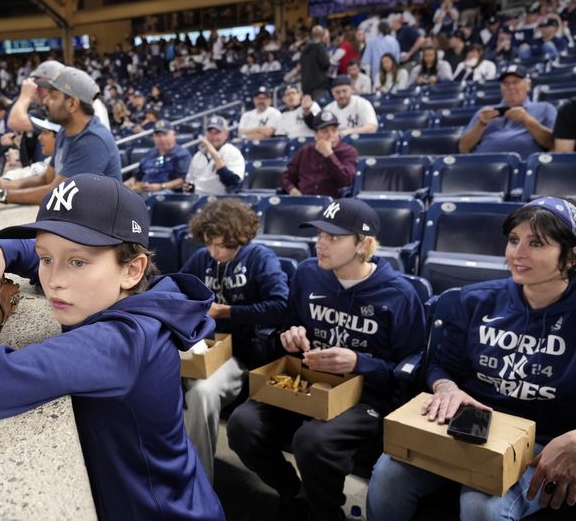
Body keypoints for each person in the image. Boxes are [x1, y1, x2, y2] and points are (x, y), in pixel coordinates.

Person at [0, 174, 226, 521]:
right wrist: (1, 249)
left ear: (132, 269)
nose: (54, 281)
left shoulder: (120, 344)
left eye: (77, 262)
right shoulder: (127, 292)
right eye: (46, 259)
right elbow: (55, 254)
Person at [367, 196, 576, 521]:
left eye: (536, 243)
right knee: (388, 474)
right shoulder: (476, 300)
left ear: (572, 256)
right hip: (471, 426)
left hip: (545, 444)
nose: (517, 253)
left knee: (481, 505)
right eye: (513, 240)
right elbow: (442, 365)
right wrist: (446, 387)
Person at [227, 198, 427, 521]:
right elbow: (284, 330)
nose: (321, 244)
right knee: (242, 424)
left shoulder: (399, 294)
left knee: (312, 441)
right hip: (306, 382)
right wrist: (287, 338)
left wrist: (359, 363)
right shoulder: (307, 274)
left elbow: (410, 374)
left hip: (365, 397)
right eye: (320, 234)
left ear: (363, 245)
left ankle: (325, 512)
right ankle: (293, 493)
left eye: (333, 237)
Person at [179, 199, 289, 482]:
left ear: (238, 237)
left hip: (241, 355)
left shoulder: (259, 258)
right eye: (208, 244)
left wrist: (226, 311)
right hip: (201, 348)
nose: (213, 252)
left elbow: (280, 307)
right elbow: (178, 288)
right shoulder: (203, 259)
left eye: (221, 245)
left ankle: (197, 483)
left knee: (202, 393)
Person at [0, 67, 122, 206]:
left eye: (52, 96)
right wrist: (4, 184)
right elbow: (46, 178)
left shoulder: (92, 141)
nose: (45, 101)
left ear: (72, 104)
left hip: (99, 229)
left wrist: (1, 194)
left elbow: (56, 193)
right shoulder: (66, 131)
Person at [459, 65, 556, 160]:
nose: (510, 87)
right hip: (482, 168)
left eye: (516, 82)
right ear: (501, 87)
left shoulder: (545, 108)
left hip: (523, 169)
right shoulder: (486, 112)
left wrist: (526, 120)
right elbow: (463, 148)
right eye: (505, 83)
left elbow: (553, 143)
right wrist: (481, 124)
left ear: (528, 85)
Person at [281, 111, 357, 198]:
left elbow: (346, 181)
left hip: (333, 204)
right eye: (325, 131)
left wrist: (329, 154)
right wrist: (293, 191)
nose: (331, 135)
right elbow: (286, 177)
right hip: (304, 202)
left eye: (334, 130)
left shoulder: (348, 151)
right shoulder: (305, 151)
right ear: (316, 135)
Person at [184, 115, 246, 195]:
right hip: (197, 199)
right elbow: (189, 182)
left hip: (220, 200)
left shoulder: (232, 152)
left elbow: (232, 183)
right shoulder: (198, 156)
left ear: (226, 135)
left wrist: (214, 154)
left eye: (217, 133)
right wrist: (188, 188)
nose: (213, 137)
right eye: (210, 132)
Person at [125, 120, 191, 193]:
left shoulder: (182, 154)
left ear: (173, 134)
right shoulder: (150, 153)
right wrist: (132, 181)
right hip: (143, 190)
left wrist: (161, 186)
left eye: (165, 135)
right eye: (158, 136)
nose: (162, 139)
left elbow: (183, 179)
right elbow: (138, 175)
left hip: (167, 194)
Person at [0, 116, 59, 183]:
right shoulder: (53, 159)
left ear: (60, 137)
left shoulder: (64, 165)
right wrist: (7, 179)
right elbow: (31, 170)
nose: (39, 137)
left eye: (45, 133)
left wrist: (3, 187)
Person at [300, 25, 331, 101]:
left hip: (306, 85)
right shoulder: (320, 48)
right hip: (319, 86)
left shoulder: (304, 49)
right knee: (320, 108)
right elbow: (325, 64)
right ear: (322, 36)